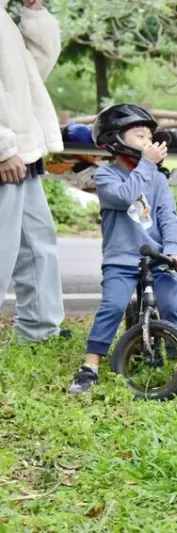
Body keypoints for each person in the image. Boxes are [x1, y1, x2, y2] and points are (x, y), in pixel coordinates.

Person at [68, 104, 177, 395]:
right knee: (112, 306)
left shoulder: (159, 180)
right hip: (121, 259)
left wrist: (174, 249)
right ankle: (90, 367)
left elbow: (167, 218)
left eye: (149, 136)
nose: (148, 141)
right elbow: (126, 197)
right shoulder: (106, 177)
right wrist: (147, 165)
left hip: (157, 258)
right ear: (115, 139)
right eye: (140, 135)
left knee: (172, 308)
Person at [0, 0, 67, 343]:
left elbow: (31, 76)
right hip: (8, 153)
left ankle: (40, 331)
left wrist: (33, 11)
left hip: (24, 149)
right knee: (3, 248)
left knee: (38, 243)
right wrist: (3, 148)